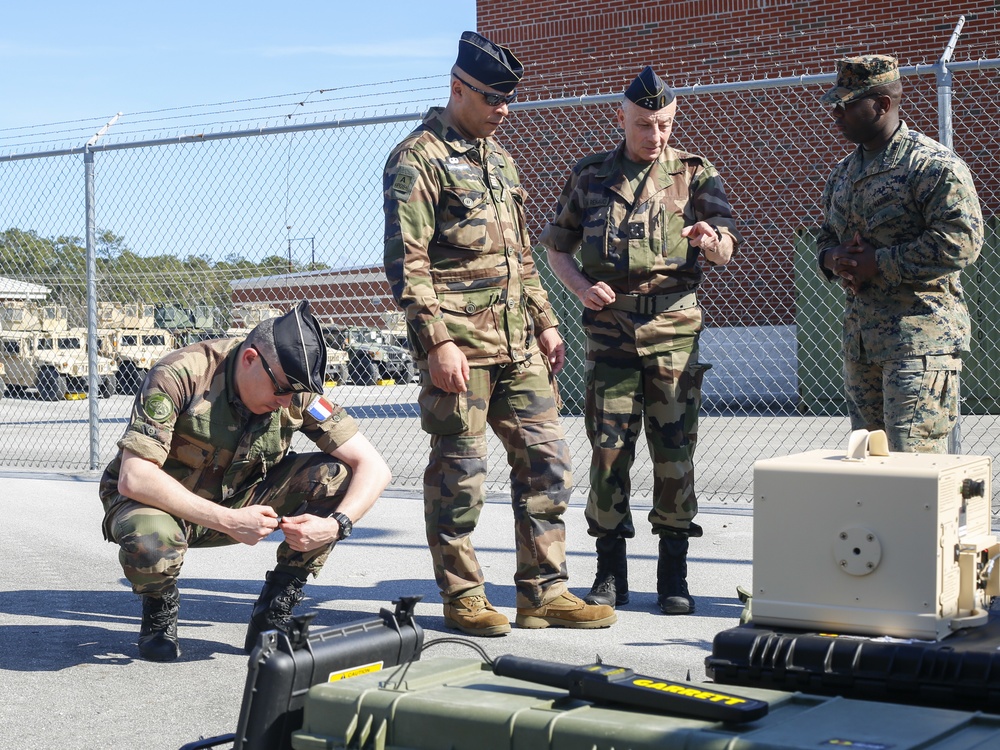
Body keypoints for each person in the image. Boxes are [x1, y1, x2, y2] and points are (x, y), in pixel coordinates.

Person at [382, 30, 616, 636]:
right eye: (492, 99)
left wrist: (545, 320)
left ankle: (544, 592)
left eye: (508, 100)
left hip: (519, 344)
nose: (504, 110)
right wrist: (436, 342)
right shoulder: (418, 159)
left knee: (549, 463)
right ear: (457, 89)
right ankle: (462, 596)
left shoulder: (500, 159)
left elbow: (520, 255)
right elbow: (407, 263)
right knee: (460, 475)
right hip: (461, 348)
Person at [539, 66, 738, 615]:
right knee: (609, 454)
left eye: (666, 124)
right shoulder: (591, 176)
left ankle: (674, 575)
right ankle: (609, 573)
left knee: (674, 456)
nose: (657, 136)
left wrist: (711, 239)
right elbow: (557, 248)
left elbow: (726, 246)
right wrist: (581, 286)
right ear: (621, 118)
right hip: (610, 335)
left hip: (674, 330)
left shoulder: (694, 175)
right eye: (646, 125)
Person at [99, 300, 391, 661]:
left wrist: (336, 526)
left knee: (338, 476)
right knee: (150, 538)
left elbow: (374, 467)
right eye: (280, 390)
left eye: (293, 394)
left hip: (238, 498)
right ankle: (159, 607)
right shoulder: (182, 373)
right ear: (251, 359)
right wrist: (228, 520)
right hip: (160, 506)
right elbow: (135, 477)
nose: (287, 403)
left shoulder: (294, 390)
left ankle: (274, 610)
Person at [817, 54, 984, 453]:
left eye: (847, 104)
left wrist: (880, 263)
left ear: (883, 104)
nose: (836, 114)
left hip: (918, 342)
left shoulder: (932, 165)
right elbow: (825, 236)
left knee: (913, 465)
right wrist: (833, 258)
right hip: (862, 343)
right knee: (871, 462)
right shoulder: (843, 173)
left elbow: (962, 240)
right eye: (835, 104)